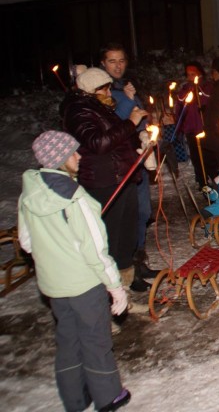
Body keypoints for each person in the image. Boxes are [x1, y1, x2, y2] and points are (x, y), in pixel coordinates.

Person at [18, 131, 132, 412]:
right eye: (73, 153)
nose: (79, 157)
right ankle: (108, 396)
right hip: (84, 284)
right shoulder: (75, 197)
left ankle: (75, 398)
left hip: (54, 285)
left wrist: (54, 255)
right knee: (96, 339)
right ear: (59, 159)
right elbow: (95, 248)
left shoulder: (30, 191)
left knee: (68, 340)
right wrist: (115, 287)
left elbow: (27, 242)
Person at [61, 67, 147, 289]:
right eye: (105, 90)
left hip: (122, 176)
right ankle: (109, 291)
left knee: (126, 236)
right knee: (111, 237)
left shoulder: (99, 107)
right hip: (104, 180)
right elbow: (98, 143)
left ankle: (124, 289)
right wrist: (131, 122)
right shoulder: (78, 111)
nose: (110, 94)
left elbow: (118, 139)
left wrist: (140, 140)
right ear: (90, 91)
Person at [100, 43, 157, 291]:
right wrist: (129, 101)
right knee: (125, 218)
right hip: (119, 166)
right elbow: (114, 125)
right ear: (103, 63)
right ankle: (126, 271)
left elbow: (140, 119)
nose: (117, 66)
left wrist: (149, 132)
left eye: (121, 60)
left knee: (143, 213)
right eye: (112, 61)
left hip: (138, 162)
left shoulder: (125, 88)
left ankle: (139, 261)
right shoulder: (100, 92)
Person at [174, 61, 213, 188]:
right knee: (196, 157)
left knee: (208, 155)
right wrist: (179, 127)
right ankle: (202, 182)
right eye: (188, 74)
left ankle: (215, 178)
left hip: (206, 128)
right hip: (191, 129)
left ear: (200, 73)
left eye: (193, 73)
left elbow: (210, 100)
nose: (190, 76)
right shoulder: (185, 89)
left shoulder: (207, 86)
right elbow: (179, 108)